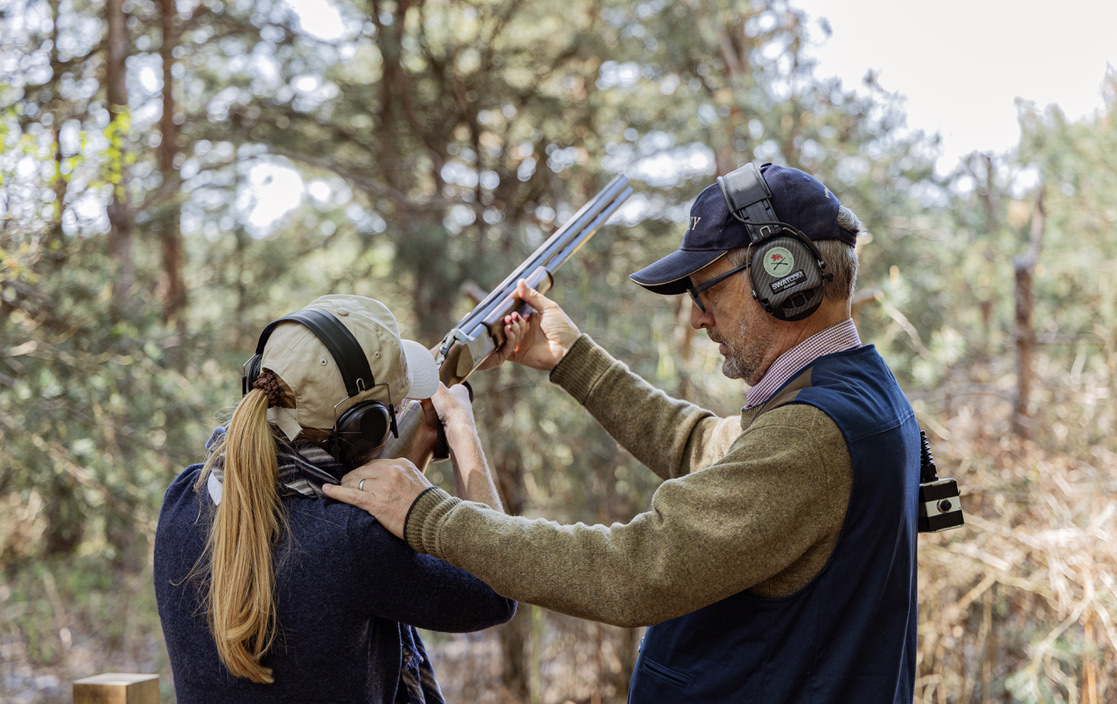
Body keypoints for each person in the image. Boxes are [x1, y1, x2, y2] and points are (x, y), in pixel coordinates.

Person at [325, 163, 921, 703]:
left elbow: (632, 571)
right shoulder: (850, 395)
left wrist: (428, 515)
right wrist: (570, 358)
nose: (698, 315)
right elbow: (707, 450)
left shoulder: (811, 433)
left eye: (707, 288)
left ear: (780, 271)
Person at [154, 294, 516, 704]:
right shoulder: (351, 542)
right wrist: (460, 424)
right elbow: (498, 589)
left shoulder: (185, 495)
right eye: (392, 410)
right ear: (361, 429)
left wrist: (418, 437)